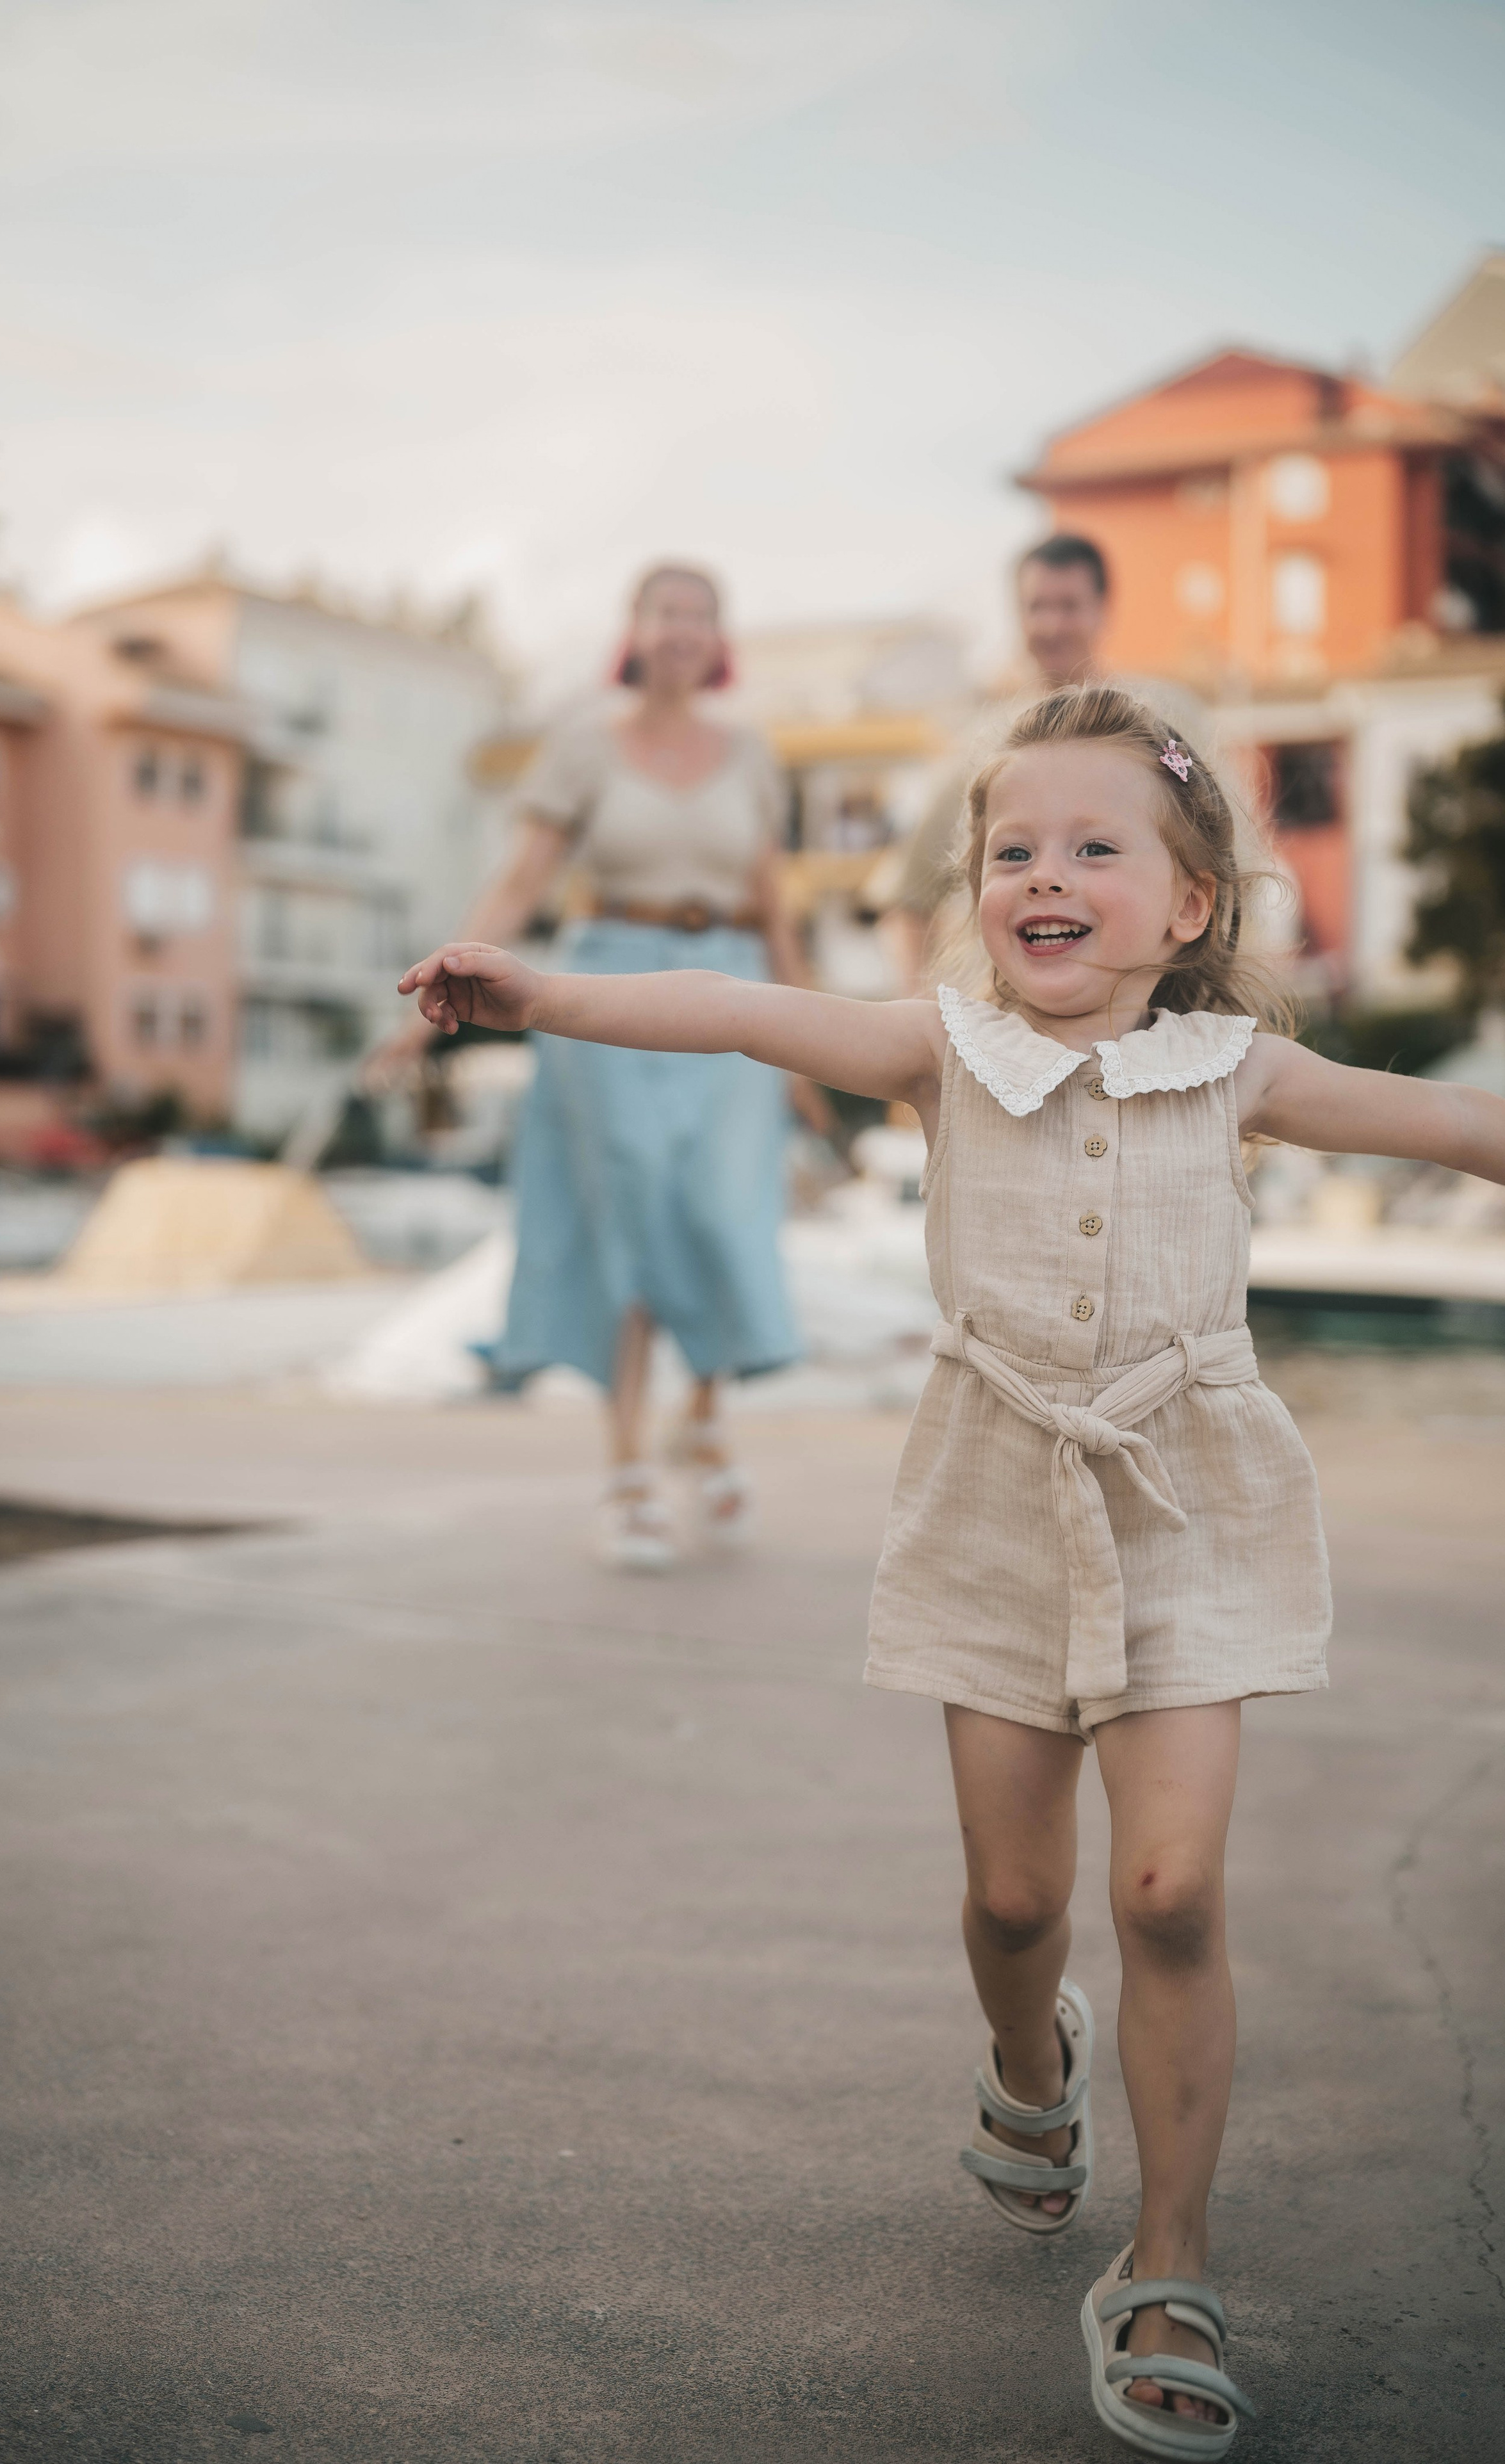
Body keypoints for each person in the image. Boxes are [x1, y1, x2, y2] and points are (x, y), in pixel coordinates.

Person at [396, 683, 1505, 2454]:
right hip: (997, 1496)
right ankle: (1026, 2063)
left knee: (1170, 1892)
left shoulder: (1246, 1073)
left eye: (1093, 848)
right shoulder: (940, 1047)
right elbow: (740, 1008)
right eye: (1012, 851)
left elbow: (1454, 1123)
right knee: (1013, 1904)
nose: (1044, 877)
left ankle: (1171, 2261)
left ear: (1190, 906)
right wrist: (545, 996)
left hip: (1190, 1493)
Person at [369, 562, 806, 1571]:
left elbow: (776, 906)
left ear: (719, 635)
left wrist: (810, 1045)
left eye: (702, 613)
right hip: (608, 987)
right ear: (637, 630)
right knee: (636, 1222)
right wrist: (437, 1000)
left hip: (735, 985)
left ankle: (700, 1415)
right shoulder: (581, 746)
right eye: (666, 611)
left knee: (725, 1216)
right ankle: (625, 1473)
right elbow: (522, 878)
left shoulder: (753, 755)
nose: (683, 628)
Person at [884, 533, 1205, 991]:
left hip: (1160, 1011)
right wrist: (924, 1022)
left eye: (1069, 606)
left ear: (1102, 609)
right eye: (1037, 607)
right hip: (1017, 1024)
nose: (1052, 624)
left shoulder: (1170, 718)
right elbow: (908, 898)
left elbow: (1223, 858)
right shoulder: (983, 746)